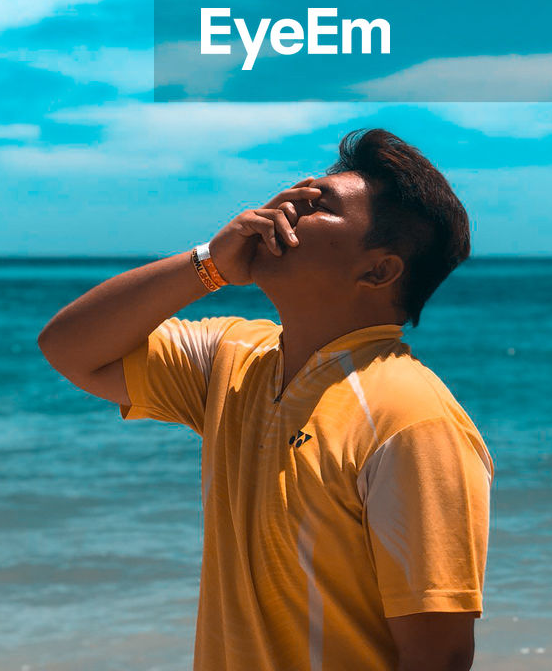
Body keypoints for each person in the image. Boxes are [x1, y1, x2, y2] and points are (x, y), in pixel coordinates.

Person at [38, 128, 494, 671]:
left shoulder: (410, 419)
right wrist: (208, 265)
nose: (282, 209)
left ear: (379, 269)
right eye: (294, 195)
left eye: (317, 206)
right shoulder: (232, 358)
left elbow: (438, 656)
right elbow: (69, 349)